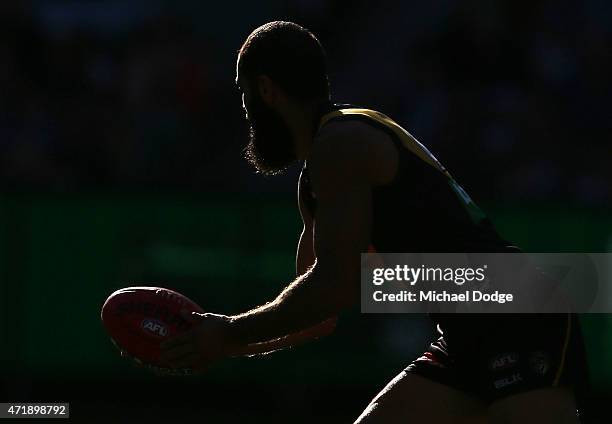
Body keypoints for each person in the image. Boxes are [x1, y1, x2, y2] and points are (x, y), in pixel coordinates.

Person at [160, 21, 587, 423]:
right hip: (467, 328)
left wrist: (227, 333)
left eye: (244, 94)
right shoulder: (323, 170)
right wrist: (220, 344)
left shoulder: (341, 145)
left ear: (265, 90)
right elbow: (316, 315)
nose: (245, 113)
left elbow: (333, 286)